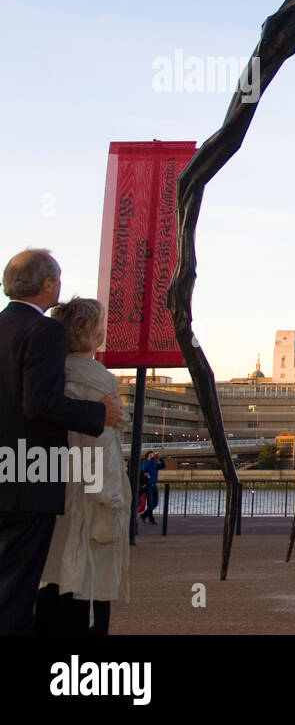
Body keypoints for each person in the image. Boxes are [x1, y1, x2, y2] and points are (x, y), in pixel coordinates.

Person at [0, 249, 122, 635]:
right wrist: (99, 415)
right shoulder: (46, 331)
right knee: (16, 591)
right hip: (30, 479)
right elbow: (40, 403)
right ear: (48, 284)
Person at [34, 297, 130, 633]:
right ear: (92, 330)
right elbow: (101, 448)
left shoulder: (51, 372)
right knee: (87, 582)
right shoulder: (97, 379)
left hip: (53, 484)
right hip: (90, 495)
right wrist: (112, 497)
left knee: (53, 576)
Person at [140, 451, 167, 524]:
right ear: (147, 457)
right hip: (148, 485)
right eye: (150, 455)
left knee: (155, 503)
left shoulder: (154, 464)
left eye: (152, 455)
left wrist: (160, 459)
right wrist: (152, 459)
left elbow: (163, 466)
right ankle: (151, 519)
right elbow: (144, 468)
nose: (152, 456)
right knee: (150, 503)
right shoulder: (145, 463)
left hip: (154, 485)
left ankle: (144, 515)